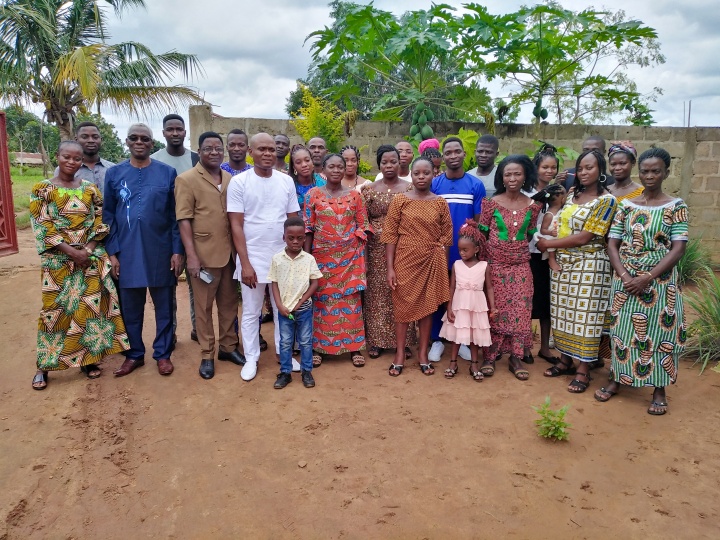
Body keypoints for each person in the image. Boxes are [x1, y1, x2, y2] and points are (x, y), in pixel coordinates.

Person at [595, 148, 688, 415]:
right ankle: (617, 380)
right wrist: (626, 276)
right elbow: (612, 243)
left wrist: (647, 277)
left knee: (660, 334)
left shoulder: (676, 206)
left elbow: (678, 248)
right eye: (645, 171)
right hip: (625, 279)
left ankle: (659, 389)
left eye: (655, 171)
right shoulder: (626, 205)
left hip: (660, 283)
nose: (649, 176)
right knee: (622, 331)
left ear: (666, 172)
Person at [30, 141, 129, 390]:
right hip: (58, 262)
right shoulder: (42, 189)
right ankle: (44, 366)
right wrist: (72, 252)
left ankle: (87, 361)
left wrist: (88, 249)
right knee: (54, 312)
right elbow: (43, 227)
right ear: (58, 156)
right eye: (67, 157)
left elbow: (101, 221)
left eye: (76, 158)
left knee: (88, 310)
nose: (71, 162)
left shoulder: (89, 189)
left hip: (88, 258)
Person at [104, 123, 185, 377]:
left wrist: (177, 250)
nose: (139, 142)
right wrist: (113, 252)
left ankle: (162, 354)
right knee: (131, 308)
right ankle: (134, 354)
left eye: (145, 139)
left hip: (160, 251)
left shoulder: (167, 173)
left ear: (152, 143)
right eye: (134, 138)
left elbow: (175, 216)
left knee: (164, 307)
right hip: (127, 253)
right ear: (127, 142)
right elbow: (108, 216)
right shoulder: (115, 174)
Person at [538, 149, 617, 393]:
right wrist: (552, 250)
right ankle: (565, 360)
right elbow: (560, 224)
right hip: (563, 265)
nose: (583, 172)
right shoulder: (572, 194)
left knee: (585, 318)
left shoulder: (606, 201)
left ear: (600, 170)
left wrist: (547, 245)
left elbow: (585, 237)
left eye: (589, 168)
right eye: (580, 168)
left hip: (590, 265)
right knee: (563, 315)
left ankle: (583, 370)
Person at [227, 133, 301, 382]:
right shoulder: (239, 183)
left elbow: (293, 221)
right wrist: (245, 263)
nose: (268, 153)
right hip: (253, 258)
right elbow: (236, 225)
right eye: (262, 149)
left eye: (271, 149)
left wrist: (295, 257)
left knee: (284, 309)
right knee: (251, 311)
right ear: (251, 152)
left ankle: (284, 353)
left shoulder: (286, 181)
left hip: (282, 258)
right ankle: (251, 358)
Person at [175, 131, 246, 380]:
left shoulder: (230, 178)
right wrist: (191, 256)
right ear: (199, 150)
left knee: (228, 304)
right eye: (208, 148)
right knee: (204, 308)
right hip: (203, 256)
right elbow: (184, 220)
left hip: (230, 255)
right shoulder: (187, 179)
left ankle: (228, 348)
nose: (214, 152)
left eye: (218, 148)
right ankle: (207, 354)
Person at [383, 156, 453, 376]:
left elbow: (447, 236)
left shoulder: (440, 202)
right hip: (404, 260)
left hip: (432, 261)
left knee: (427, 308)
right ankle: (400, 354)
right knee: (402, 308)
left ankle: (423, 354)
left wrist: (441, 265)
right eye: (417, 173)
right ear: (411, 175)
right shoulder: (400, 200)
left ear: (434, 174)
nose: (421, 177)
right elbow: (390, 235)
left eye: (426, 173)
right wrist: (390, 268)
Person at [304, 154, 371, 368]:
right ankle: (319, 348)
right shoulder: (313, 195)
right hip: (321, 258)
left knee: (351, 301)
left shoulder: (354, 196)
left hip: (350, 259)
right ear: (323, 169)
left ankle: (354, 348)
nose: (336, 170)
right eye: (331, 166)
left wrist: (356, 249)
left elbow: (364, 225)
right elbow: (308, 228)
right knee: (322, 301)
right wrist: (306, 260)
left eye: (340, 166)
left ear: (345, 170)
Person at [478, 155, 541, 381]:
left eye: (517, 174)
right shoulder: (491, 203)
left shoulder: (534, 206)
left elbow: (533, 233)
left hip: (521, 265)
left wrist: (548, 237)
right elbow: (482, 235)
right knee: (494, 310)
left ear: (525, 176)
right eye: (507, 174)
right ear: (501, 178)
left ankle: (516, 357)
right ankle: (490, 356)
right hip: (494, 265)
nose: (512, 178)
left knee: (521, 310)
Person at [429, 137, 486, 362]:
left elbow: (479, 224)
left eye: (457, 151)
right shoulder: (435, 184)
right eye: (448, 152)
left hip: (464, 255)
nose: (453, 155)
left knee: (462, 297)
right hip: (438, 251)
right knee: (438, 296)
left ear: (464, 154)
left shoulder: (475, 185)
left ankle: (461, 340)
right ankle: (437, 340)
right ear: (443, 157)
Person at [362, 145, 416, 360]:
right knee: (376, 295)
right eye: (384, 162)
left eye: (393, 161)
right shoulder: (369, 190)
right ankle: (375, 341)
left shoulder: (410, 189)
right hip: (375, 249)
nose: (389, 165)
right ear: (379, 164)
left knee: (402, 293)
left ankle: (405, 342)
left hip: (404, 249)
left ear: (400, 162)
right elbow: (363, 223)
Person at [151, 113, 199, 345]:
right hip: (164, 234)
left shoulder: (195, 159)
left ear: (185, 132)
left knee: (196, 284)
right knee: (167, 286)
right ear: (163, 133)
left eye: (179, 129)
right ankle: (170, 334)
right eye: (170, 129)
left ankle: (198, 329)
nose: (175, 133)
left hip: (193, 231)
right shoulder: (154, 160)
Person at [268, 217, 323, 389]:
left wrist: (301, 302)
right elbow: (274, 283)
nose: (295, 241)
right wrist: (278, 305)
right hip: (284, 310)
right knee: (285, 342)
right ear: (283, 237)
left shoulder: (308, 260)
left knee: (305, 341)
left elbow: (315, 282)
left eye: (300, 238)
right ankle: (286, 373)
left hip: (304, 310)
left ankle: (307, 371)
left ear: (304, 238)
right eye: (291, 237)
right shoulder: (277, 259)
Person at [440, 220, 495, 381]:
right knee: (458, 336)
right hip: (459, 306)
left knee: (474, 337)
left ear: (476, 249)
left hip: (476, 307)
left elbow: (489, 288)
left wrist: (493, 307)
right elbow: (451, 288)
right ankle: (453, 363)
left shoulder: (484, 266)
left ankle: (474, 364)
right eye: (460, 250)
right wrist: (449, 307)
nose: (462, 253)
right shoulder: (456, 265)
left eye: (465, 250)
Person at [526, 144, 563, 365]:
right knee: (528, 301)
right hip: (529, 252)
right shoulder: (527, 193)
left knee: (545, 301)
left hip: (548, 254)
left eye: (553, 167)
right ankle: (525, 346)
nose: (548, 171)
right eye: (544, 167)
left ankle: (545, 348)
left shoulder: (558, 193)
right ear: (536, 168)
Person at [53, 121, 115, 195]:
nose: (91, 140)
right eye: (85, 137)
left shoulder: (113, 168)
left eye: (95, 137)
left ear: (101, 139)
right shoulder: (64, 170)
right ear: (76, 140)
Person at [532, 183, 567, 271]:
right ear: (561, 199)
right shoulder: (549, 215)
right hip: (549, 235)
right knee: (551, 240)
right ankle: (551, 259)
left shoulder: (561, 211)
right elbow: (543, 230)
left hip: (558, 234)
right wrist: (550, 232)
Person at [290, 144, 326, 210]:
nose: (304, 165)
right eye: (298, 162)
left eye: (307, 160)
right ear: (294, 167)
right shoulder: (290, 185)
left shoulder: (324, 183)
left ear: (312, 162)